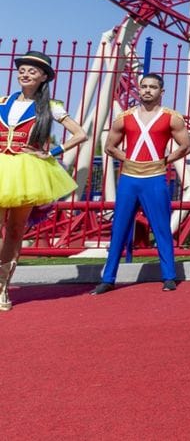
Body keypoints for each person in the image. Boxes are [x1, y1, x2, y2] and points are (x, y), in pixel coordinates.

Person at [0, 51, 88, 311]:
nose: (25, 73)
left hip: (28, 170)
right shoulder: (2, 100)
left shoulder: (51, 106)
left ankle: (2, 288)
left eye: (32, 71)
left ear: (43, 78)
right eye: (22, 69)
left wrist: (50, 153)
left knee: (15, 231)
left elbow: (80, 133)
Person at [92, 73, 190, 294]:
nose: (147, 90)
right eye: (144, 86)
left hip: (155, 178)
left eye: (153, 87)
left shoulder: (171, 117)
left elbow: (186, 146)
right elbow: (110, 146)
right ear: (139, 89)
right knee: (118, 229)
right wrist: (127, 158)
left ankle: (169, 277)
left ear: (161, 92)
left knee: (162, 228)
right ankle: (108, 279)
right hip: (129, 178)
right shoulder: (124, 117)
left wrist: (165, 161)